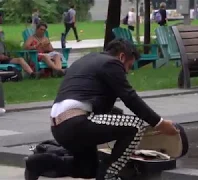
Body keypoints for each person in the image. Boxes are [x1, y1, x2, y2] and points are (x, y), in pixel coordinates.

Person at [24, 39, 179, 180]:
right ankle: (109, 176)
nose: (127, 72)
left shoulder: (87, 60)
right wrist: (159, 123)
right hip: (75, 121)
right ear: (122, 57)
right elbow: (130, 98)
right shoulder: (111, 63)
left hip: (59, 125)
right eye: (129, 66)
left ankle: (38, 163)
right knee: (135, 126)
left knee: (87, 169)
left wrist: (117, 118)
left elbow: (99, 103)